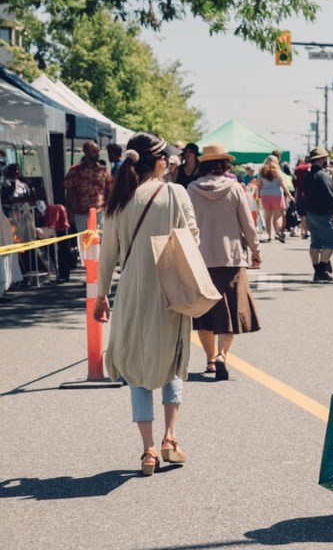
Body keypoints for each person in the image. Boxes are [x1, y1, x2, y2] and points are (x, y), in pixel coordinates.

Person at [93, 132, 193, 476]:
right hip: (170, 290)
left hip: (132, 292)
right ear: (160, 161)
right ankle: (170, 437)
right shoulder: (175, 194)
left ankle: (148, 450)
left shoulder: (119, 199)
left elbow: (107, 256)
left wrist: (102, 295)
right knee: (172, 359)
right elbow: (192, 239)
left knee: (137, 368)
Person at [188, 143, 261, 381]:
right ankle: (221, 355)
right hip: (231, 259)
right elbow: (246, 223)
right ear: (224, 164)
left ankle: (209, 360)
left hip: (200, 260)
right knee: (229, 312)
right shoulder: (234, 188)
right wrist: (255, 250)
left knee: (204, 314)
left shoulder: (191, 189)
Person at [301, 147, 333, 282]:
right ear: (322, 160)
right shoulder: (323, 175)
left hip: (310, 213)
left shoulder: (307, 175)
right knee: (332, 239)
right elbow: (330, 195)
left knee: (315, 242)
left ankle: (318, 270)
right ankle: (322, 269)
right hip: (323, 213)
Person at [64, 140, 111, 231]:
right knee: (83, 242)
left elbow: (109, 191)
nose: (97, 154)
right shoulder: (74, 171)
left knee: (99, 241)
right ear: (86, 152)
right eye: (94, 151)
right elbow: (70, 193)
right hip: (81, 214)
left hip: (99, 213)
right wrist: (69, 212)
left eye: (98, 151)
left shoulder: (103, 170)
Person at [259, 155, 295, 242]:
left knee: (267, 216)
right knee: (278, 216)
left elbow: (259, 185)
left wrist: (258, 194)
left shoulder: (261, 171)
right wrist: (290, 195)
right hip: (277, 194)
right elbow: (283, 185)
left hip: (265, 194)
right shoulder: (278, 172)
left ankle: (268, 235)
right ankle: (278, 232)